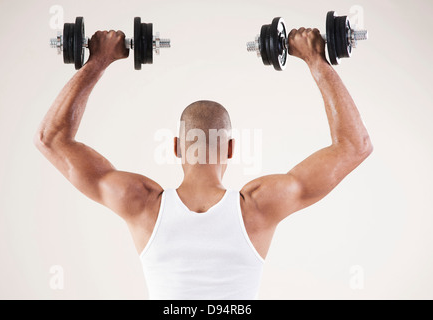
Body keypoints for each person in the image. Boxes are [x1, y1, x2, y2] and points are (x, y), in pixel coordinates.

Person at [35, 27, 372, 299]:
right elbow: (354, 146)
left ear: (178, 147)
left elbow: (52, 140)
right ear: (230, 149)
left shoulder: (138, 201)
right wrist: (315, 59)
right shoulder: (260, 205)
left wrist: (98, 61)